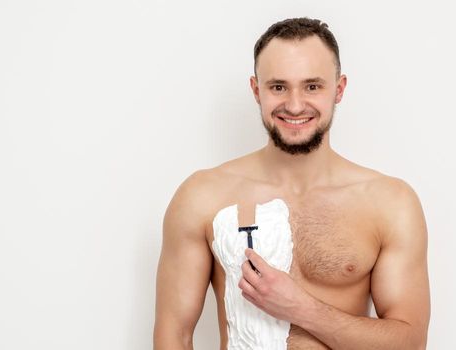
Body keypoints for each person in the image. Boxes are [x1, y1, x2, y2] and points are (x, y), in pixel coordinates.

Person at [153, 17, 430, 350]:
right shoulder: (203, 197)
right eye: (278, 87)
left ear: (338, 89)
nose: (295, 105)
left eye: (312, 86)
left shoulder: (389, 203)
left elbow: (409, 342)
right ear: (257, 90)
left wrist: (301, 308)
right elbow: (175, 336)